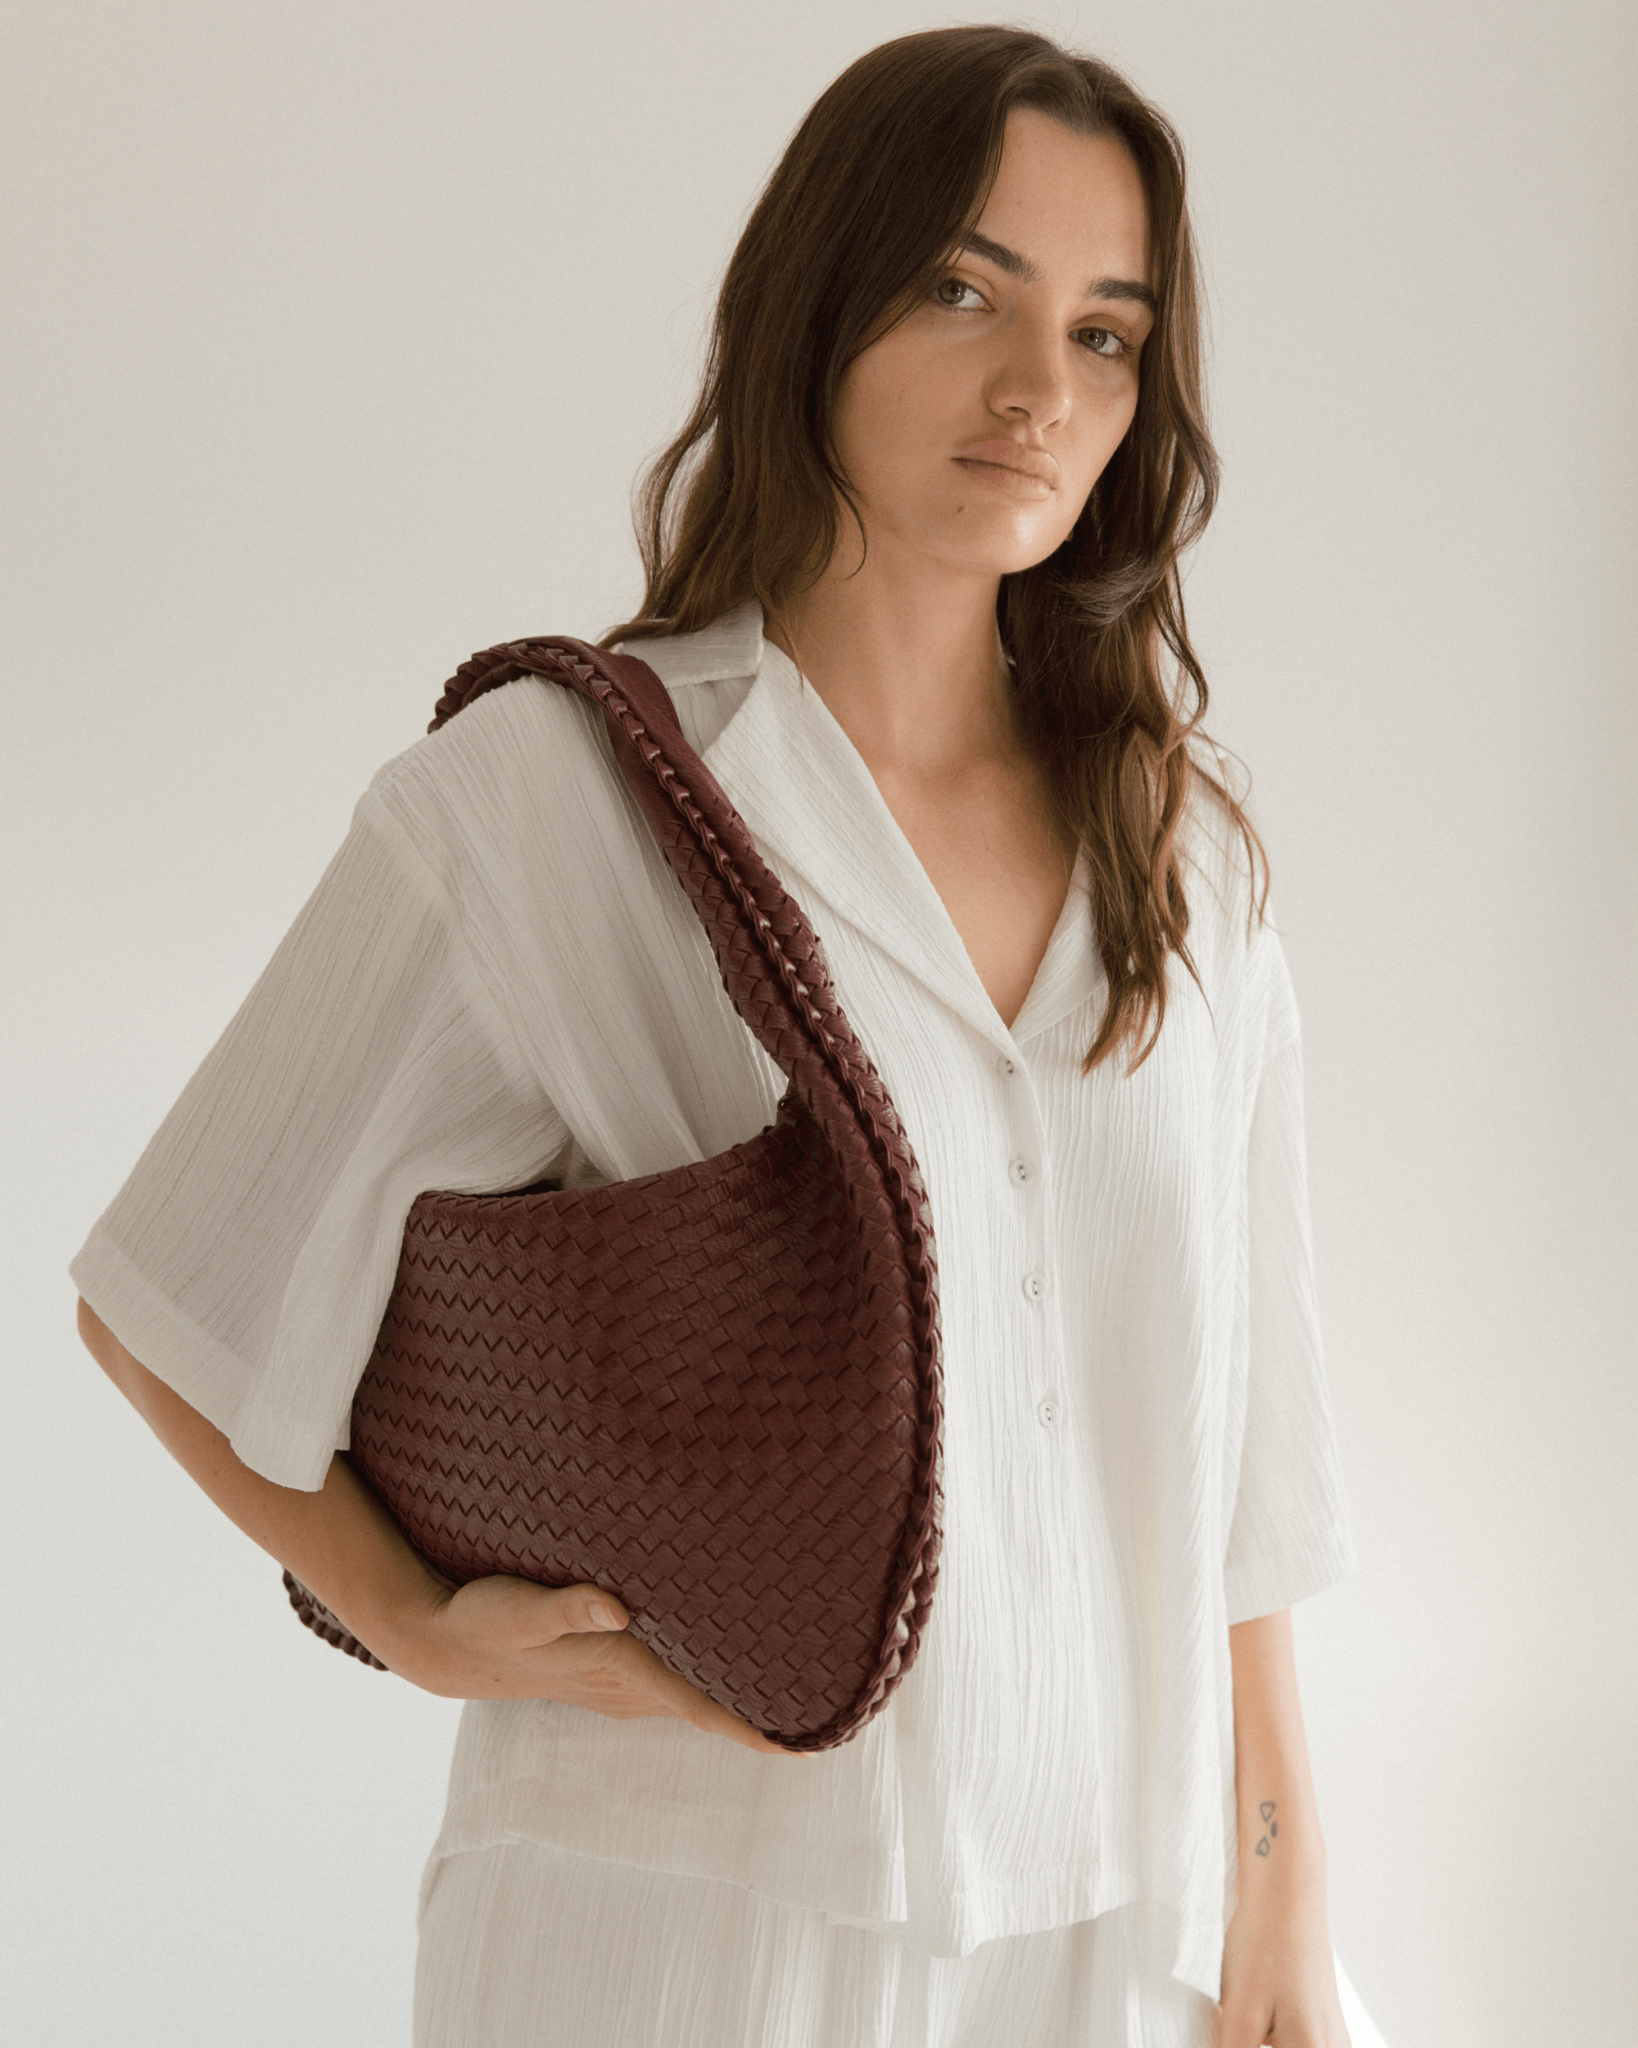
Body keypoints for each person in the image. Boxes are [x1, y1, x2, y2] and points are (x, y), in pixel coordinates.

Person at [70, 25, 1372, 2048]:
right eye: (964, 292)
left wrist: (1282, 1889)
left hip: (1122, 1936)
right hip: (687, 1931)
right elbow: (171, 1292)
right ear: (818, 305)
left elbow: (1245, 1446)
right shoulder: (558, 796)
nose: (1042, 390)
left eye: (1106, 334)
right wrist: (411, 1621)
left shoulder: (1181, 860)